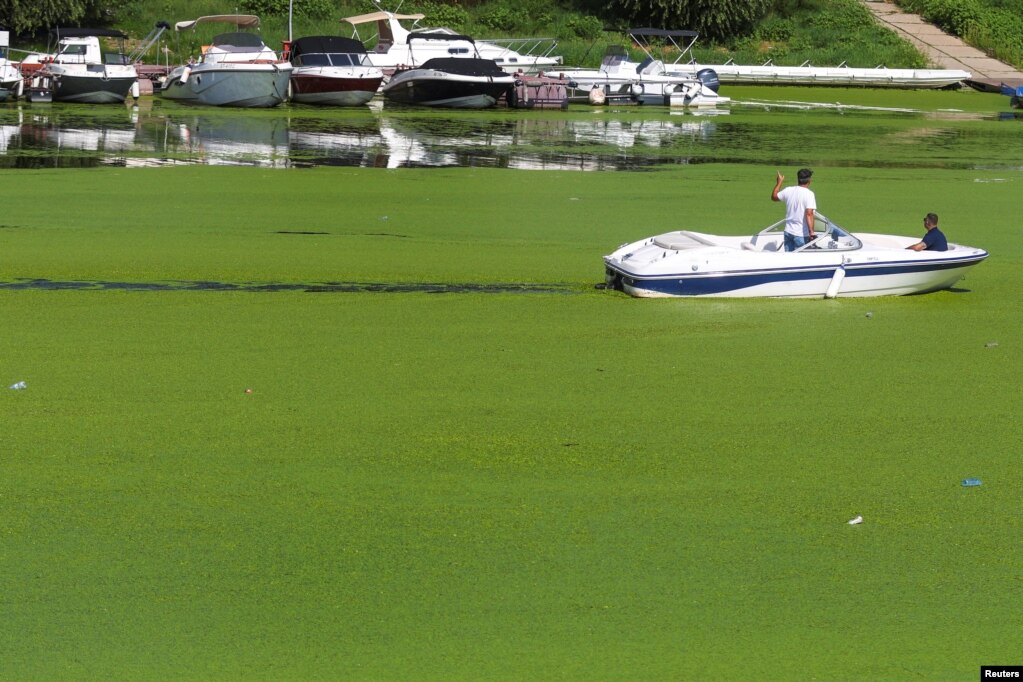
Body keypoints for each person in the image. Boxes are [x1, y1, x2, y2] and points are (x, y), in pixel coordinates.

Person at [771, 168, 817, 252]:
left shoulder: (788, 190)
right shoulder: (809, 194)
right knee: (801, 262)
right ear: (809, 180)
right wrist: (812, 232)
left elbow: (774, 197)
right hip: (801, 235)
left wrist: (779, 182)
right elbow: (809, 213)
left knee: (789, 260)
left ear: (798, 179)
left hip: (788, 232)